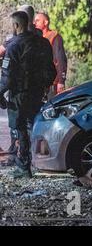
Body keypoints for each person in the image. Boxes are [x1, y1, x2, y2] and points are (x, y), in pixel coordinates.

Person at [0, 11, 55, 178]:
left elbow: (8, 77)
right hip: (37, 93)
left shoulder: (14, 46)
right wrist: (44, 86)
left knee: (20, 128)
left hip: (19, 94)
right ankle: (40, 162)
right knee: (35, 125)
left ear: (17, 25)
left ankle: (24, 167)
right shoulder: (43, 43)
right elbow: (52, 70)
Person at [34, 12, 67, 97]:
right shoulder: (35, 37)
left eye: (37, 21)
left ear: (45, 22)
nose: (34, 23)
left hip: (52, 81)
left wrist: (61, 81)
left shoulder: (54, 37)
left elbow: (60, 59)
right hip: (39, 82)